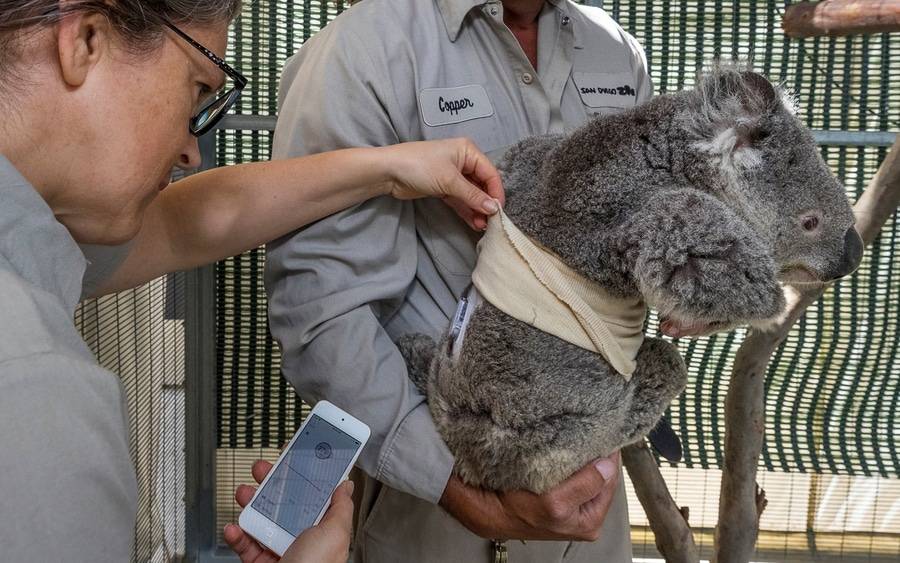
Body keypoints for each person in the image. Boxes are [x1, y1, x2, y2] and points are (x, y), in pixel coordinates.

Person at [0, 1, 503, 561]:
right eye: (196, 90)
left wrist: (385, 167)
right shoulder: (34, 388)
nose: (191, 152)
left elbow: (190, 223)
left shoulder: (34, 242)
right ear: (85, 41)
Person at [266, 0, 654, 561]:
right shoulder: (367, 48)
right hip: (440, 487)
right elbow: (322, 309)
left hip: (592, 486)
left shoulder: (614, 48)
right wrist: (457, 489)